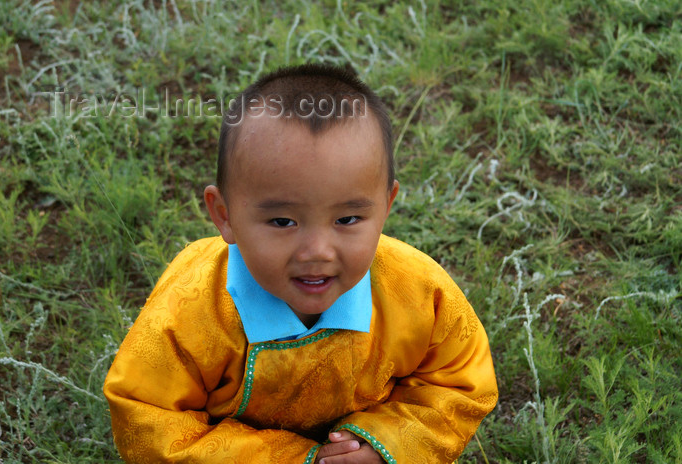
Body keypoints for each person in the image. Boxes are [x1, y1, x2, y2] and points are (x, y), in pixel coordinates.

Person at [103, 63, 498, 464]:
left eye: (347, 219)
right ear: (224, 215)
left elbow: (458, 384)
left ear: (386, 207)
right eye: (282, 221)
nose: (317, 251)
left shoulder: (419, 293)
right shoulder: (188, 312)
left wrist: (386, 446)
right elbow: (147, 419)